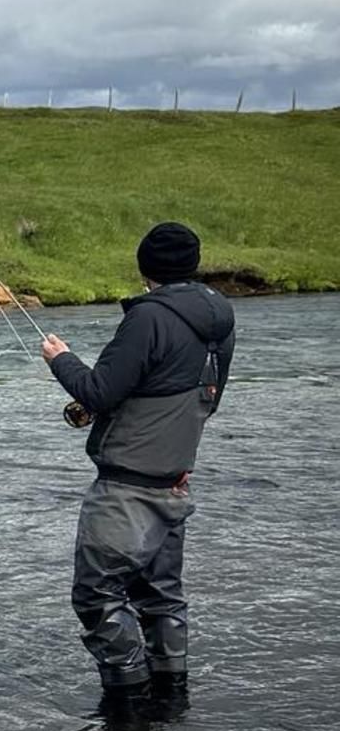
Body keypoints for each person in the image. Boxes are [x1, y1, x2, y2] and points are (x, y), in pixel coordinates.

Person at [40, 222, 236, 691]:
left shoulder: (148, 318)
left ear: (145, 267)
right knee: (161, 597)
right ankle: (170, 697)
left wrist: (59, 358)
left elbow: (100, 391)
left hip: (126, 488)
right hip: (174, 482)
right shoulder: (219, 317)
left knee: (96, 595)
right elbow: (190, 392)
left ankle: (128, 696)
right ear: (193, 265)